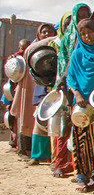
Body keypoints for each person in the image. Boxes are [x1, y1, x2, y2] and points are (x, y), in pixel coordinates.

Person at [52, 4, 91, 177]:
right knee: (65, 126)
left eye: (86, 14)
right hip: (68, 85)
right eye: (80, 15)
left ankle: (76, 166)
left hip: (81, 86)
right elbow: (67, 63)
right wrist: (65, 82)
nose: (83, 17)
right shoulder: (73, 36)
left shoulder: (89, 34)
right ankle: (60, 163)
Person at [66, 19, 94, 192]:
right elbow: (71, 78)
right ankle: (82, 176)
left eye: (89, 32)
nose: (86, 36)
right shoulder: (77, 54)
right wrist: (77, 94)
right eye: (82, 34)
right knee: (81, 141)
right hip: (81, 104)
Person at [28, 23, 58, 165]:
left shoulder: (57, 44)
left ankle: (52, 155)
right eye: (44, 32)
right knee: (40, 120)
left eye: (50, 31)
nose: (47, 34)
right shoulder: (36, 48)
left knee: (55, 122)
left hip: (56, 84)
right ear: (38, 34)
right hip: (42, 85)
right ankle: (37, 154)